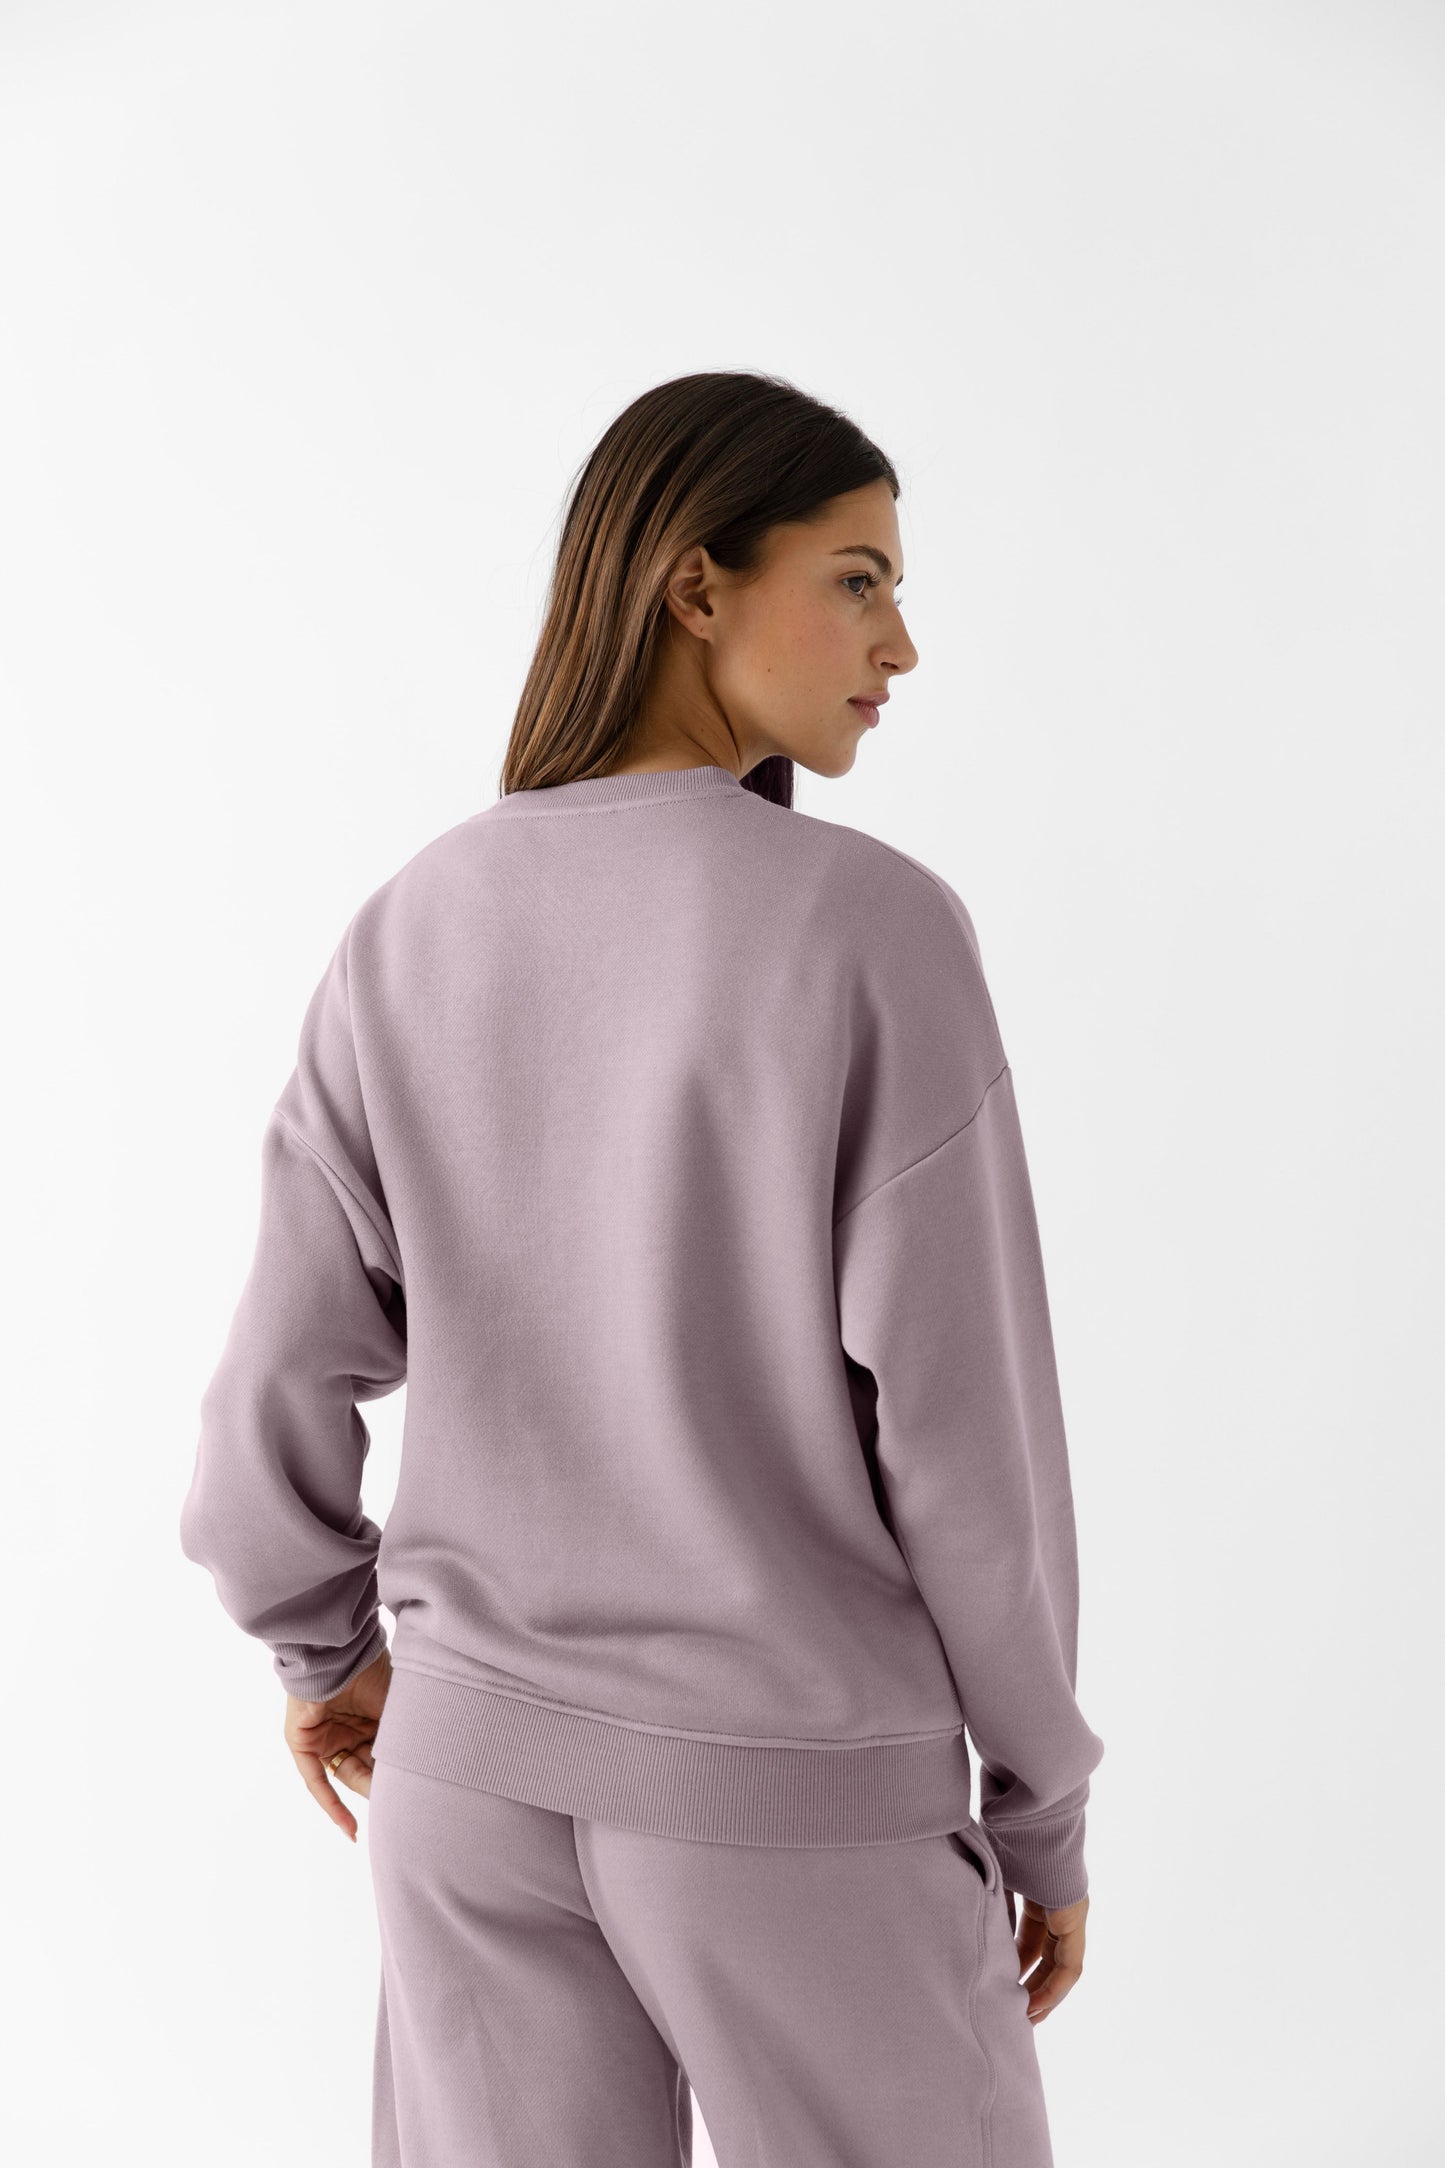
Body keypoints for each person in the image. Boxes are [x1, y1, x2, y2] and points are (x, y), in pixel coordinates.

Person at [179, 369, 1105, 2168]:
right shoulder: (872, 930)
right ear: (694, 585)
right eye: (855, 579)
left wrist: (323, 1652)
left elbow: (261, 1413)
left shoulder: (414, 924)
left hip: (464, 1784)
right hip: (790, 1799)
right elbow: (967, 1452)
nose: (899, 645)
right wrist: (1040, 1809)